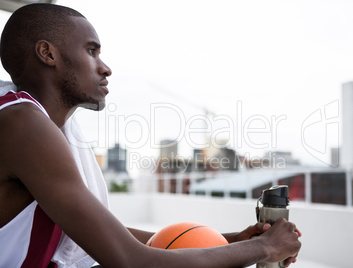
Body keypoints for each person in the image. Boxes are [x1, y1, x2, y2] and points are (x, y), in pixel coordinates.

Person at [0, 3, 301, 268]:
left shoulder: (35, 122)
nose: (105, 68)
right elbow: (131, 260)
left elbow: (100, 236)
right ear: (47, 53)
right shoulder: (23, 124)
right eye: (91, 51)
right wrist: (264, 247)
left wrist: (231, 241)